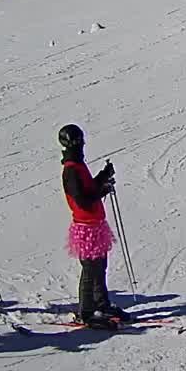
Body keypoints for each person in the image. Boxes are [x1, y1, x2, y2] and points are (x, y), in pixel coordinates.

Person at [59, 124, 122, 327]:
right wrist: (103, 190)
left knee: (100, 266)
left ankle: (102, 304)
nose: (81, 145)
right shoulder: (70, 170)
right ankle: (86, 311)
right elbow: (83, 200)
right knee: (90, 270)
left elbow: (89, 188)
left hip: (95, 225)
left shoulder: (78, 165)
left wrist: (103, 176)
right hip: (86, 227)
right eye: (78, 142)